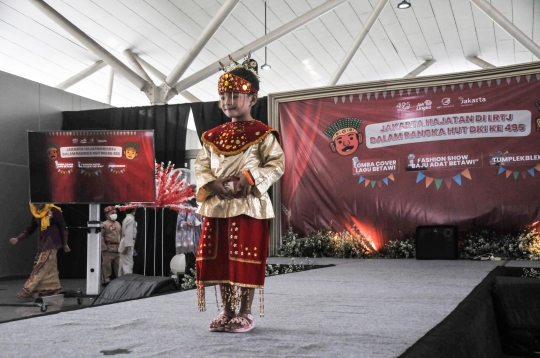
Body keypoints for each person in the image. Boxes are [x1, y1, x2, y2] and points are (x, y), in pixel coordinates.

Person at [194, 57, 285, 333]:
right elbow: (201, 166)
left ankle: (245, 313)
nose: (228, 101)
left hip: (249, 207)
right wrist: (211, 184)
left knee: (243, 259)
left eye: (235, 95)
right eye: (223, 96)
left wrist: (251, 177)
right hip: (218, 207)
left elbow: (277, 164)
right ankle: (227, 310)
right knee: (222, 260)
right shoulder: (212, 136)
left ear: (253, 98)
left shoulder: (263, 134)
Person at [9, 204, 70, 299]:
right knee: (50, 267)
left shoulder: (54, 211)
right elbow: (30, 229)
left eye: (38, 203)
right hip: (42, 243)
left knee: (41, 265)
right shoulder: (36, 213)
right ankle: (53, 289)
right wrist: (18, 239)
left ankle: (29, 290)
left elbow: (63, 227)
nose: (37, 205)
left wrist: (65, 244)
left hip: (53, 242)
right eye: (35, 204)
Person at [175, 191, 203, 255]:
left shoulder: (198, 207)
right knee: (189, 257)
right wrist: (186, 224)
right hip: (188, 237)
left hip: (198, 236)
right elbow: (180, 222)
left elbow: (202, 220)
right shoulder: (184, 206)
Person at [100, 206, 121, 285]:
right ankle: (106, 279)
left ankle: (119, 278)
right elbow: (101, 236)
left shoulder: (118, 223)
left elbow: (121, 235)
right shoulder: (104, 224)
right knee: (106, 265)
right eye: (112, 213)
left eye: (115, 213)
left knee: (118, 265)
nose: (114, 214)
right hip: (108, 248)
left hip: (117, 248)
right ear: (107, 215)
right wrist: (103, 247)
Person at [119, 207, 137, 276]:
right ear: (134, 209)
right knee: (128, 264)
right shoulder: (130, 219)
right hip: (127, 244)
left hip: (126, 243)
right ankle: (127, 281)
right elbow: (128, 234)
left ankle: (120, 280)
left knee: (122, 264)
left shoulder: (127, 219)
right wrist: (127, 247)